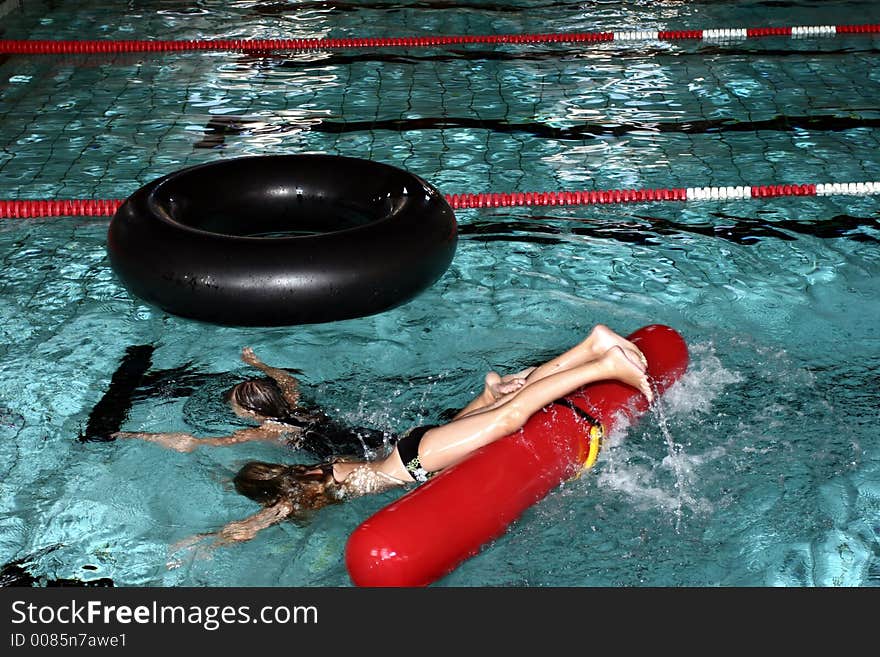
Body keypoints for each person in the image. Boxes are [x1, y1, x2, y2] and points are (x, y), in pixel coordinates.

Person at [215, 324, 652, 544]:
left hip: (412, 463)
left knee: (511, 416)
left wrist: (205, 543)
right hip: (409, 446)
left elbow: (252, 525)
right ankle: (590, 346)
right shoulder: (305, 472)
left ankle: (606, 365)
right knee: (502, 404)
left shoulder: (294, 494)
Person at [113, 347, 391, 459]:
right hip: (365, 435)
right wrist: (258, 364)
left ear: (250, 411)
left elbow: (190, 442)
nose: (231, 407)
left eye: (235, 405)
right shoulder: (293, 405)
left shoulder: (263, 431)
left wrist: (134, 434)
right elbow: (287, 381)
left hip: (347, 455)